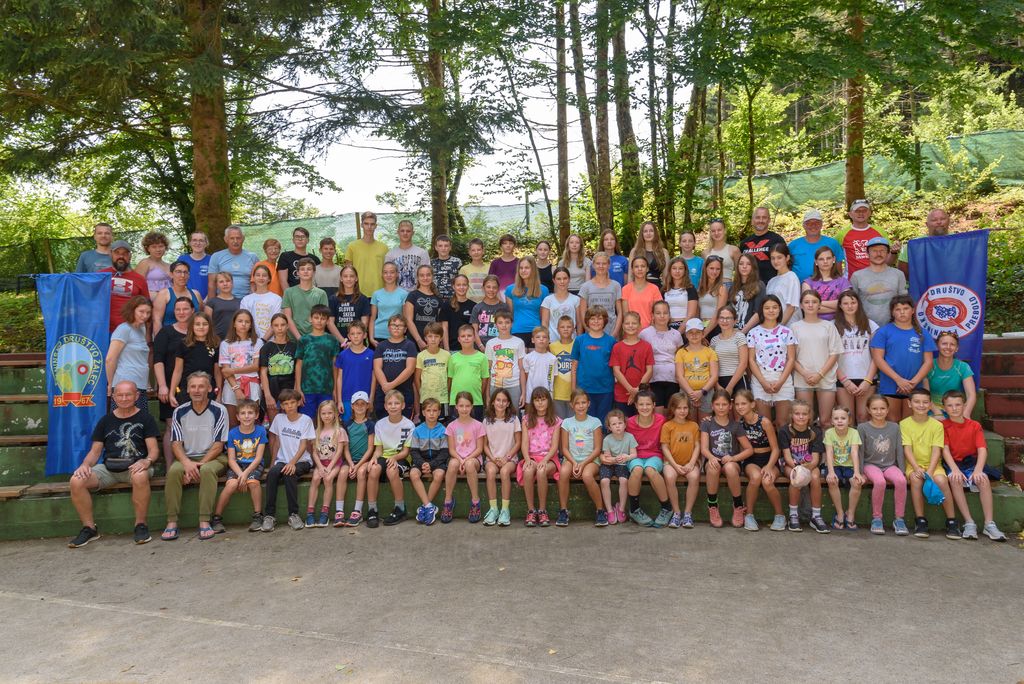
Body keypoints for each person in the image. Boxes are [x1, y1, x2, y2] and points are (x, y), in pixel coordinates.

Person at [67, 381, 160, 548]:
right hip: (109, 468)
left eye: (128, 395)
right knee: (76, 480)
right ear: (114, 397)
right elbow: (95, 452)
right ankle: (89, 528)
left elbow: (153, 450)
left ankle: (140, 525)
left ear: (136, 396)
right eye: (120, 395)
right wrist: (85, 464)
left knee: (140, 476)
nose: (124, 398)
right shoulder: (105, 420)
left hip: (136, 466)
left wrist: (146, 461)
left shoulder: (146, 418)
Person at [163, 372, 229, 541]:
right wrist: (187, 463)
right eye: (193, 386)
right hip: (188, 458)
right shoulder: (180, 411)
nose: (197, 390)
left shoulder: (219, 410)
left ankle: (204, 520)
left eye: (201, 386)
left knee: (206, 470)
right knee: (173, 472)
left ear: (209, 388)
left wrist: (197, 466)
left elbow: (218, 445)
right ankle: (171, 522)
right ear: (187, 389)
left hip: (214, 458)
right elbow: (176, 443)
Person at [941, 390, 1007, 542]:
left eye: (958, 404)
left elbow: (982, 449)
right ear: (944, 408)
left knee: (983, 479)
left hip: (971, 462)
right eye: (950, 405)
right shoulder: (942, 426)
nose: (954, 408)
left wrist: (978, 470)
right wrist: (954, 469)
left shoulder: (974, 425)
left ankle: (989, 524)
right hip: (953, 463)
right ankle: (969, 522)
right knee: (955, 479)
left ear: (964, 405)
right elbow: (945, 450)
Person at [901, 387, 958, 539]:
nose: (921, 405)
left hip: (934, 465)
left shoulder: (937, 425)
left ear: (930, 404)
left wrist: (931, 472)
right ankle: (920, 520)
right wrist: (916, 468)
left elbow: (936, 450)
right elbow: (907, 449)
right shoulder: (904, 424)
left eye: (925, 402)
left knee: (941, 480)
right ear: (909, 404)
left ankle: (952, 521)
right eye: (917, 402)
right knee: (916, 479)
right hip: (913, 464)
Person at [871, 295, 936, 421]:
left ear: (912, 310)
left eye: (905, 308)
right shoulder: (884, 332)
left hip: (914, 387)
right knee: (892, 423)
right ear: (892, 312)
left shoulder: (922, 333)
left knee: (910, 423)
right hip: (890, 385)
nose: (902, 312)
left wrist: (913, 383)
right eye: (897, 309)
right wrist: (898, 380)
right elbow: (878, 359)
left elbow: (928, 362)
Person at [262, 388, 316, 532]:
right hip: (283, 460)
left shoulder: (306, 420)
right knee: (273, 473)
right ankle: (269, 516)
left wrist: (292, 463)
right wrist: (272, 463)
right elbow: (277, 443)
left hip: (302, 461)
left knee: (289, 473)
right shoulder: (279, 419)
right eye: (286, 404)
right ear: (281, 406)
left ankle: (293, 514)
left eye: (292, 402)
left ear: (298, 403)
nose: (290, 406)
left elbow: (304, 445)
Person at [212, 398, 268, 534]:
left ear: (256, 415)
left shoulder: (261, 431)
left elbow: (258, 458)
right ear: (237, 416)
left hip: (254, 465)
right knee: (231, 484)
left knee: (253, 483)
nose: (246, 416)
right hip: (237, 465)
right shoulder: (233, 433)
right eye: (243, 413)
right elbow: (231, 460)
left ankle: (258, 516)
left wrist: (246, 474)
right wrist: (240, 474)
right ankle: (216, 518)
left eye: (250, 413)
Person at [700, 390, 754, 529]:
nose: (721, 407)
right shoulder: (707, 424)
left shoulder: (735, 425)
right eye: (717, 404)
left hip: (731, 461)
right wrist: (711, 457)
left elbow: (749, 449)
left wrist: (733, 458)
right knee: (713, 467)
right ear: (712, 406)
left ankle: (738, 505)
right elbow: (704, 448)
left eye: (724, 404)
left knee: (729, 468)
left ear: (730, 406)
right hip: (713, 459)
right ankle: (712, 505)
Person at [791, 290, 843, 430]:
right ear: (801, 305)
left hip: (826, 377)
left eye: (814, 302)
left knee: (826, 421)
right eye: (806, 302)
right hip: (803, 378)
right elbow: (790, 357)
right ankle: (807, 445)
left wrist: (820, 374)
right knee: (804, 421)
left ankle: (826, 446)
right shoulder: (794, 327)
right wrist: (805, 373)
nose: (810, 305)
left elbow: (834, 353)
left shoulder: (829, 326)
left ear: (820, 305)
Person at [858, 393, 909, 535]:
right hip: (870, 465)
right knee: (880, 482)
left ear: (887, 410)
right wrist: (860, 472)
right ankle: (877, 518)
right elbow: (859, 452)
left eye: (882, 408)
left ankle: (899, 519)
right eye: (874, 409)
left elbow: (899, 449)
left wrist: (902, 470)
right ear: (868, 410)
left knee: (901, 481)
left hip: (890, 465)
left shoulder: (894, 427)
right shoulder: (862, 427)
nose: (878, 412)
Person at [734, 389, 785, 531]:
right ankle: (749, 515)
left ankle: (780, 515)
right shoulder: (739, 424)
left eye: (743, 403)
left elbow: (776, 449)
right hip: (751, 460)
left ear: (752, 404)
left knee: (767, 481)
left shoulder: (764, 422)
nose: (740, 407)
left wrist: (769, 466)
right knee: (756, 477)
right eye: (737, 404)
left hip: (769, 458)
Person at [777, 399, 829, 533]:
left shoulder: (815, 432)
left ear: (810, 416)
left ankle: (816, 516)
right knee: (796, 477)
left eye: (804, 414)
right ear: (791, 415)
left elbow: (815, 459)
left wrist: (806, 468)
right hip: (791, 464)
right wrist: (798, 469)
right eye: (797, 414)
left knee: (815, 477)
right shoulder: (784, 431)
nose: (801, 417)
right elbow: (787, 456)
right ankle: (793, 515)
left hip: (810, 465)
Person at [556, 389, 605, 526]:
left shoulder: (595, 422)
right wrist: (574, 462)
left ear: (589, 404)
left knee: (587, 476)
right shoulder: (567, 423)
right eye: (577, 403)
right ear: (571, 405)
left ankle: (600, 510)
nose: (581, 406)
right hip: (571, 459)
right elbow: (564, 448)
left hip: (591, 460)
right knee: (563, 472)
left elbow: (597, 449)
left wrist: (582, 464)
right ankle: (563, 511)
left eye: (583, 402)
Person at [155, 296, 195, 464]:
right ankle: (170, 468)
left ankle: (190, 467)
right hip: (170, 387)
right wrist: (162, 385)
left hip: (194, 388)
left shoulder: (199, 331)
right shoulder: (166, 332)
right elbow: (158, 360)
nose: (181, 312)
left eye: (185, 309)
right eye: (178, 309)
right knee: (172, 426)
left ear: (192, 311)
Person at [366, 389, 415, 528]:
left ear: (403, 405)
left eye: (396, 403)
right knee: (374, 469)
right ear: (385, 406)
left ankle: (400, 508)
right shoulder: (380, 424)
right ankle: (372, 510)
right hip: (385, 456)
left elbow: (406, 451)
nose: (393, 406)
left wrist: (394, 457)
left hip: (402, 457)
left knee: (392, 470)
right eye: (390, 403)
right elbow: (378, 450)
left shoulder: (409, 425)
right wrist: (373, 458)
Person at [747, 295, 797, 427]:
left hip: (783, 378)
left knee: (783, 423)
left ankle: (783, 443)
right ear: (761, 310)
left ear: (780, 309)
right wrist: (763, 383)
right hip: (761, 379)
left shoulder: (787, 332)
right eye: (767, 308)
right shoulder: (753, 332)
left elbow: (791, 358)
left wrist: (780, 382)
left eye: (774, 307)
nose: (771, 310)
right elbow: (751, 360)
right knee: (765, 423)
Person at [624, 391, 671, 527]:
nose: (645, 407)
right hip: (635, 455)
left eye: (648, 404)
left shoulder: (661, 420)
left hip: (654, 455)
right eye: (641, 404)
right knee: (637, 469)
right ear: (636, 405)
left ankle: (666, 508)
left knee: (650, 470)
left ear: (654, 405)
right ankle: (634, 509)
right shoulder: (629, 423)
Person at [518, 387, 562, 527]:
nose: (540, 403)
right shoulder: (526, 420)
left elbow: (554, 446)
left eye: (543, 399)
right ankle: (531, 510)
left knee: (541, 471)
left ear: (548, 401)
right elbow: (524, 443)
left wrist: (544, 460)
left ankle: (542, 510)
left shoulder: (555, 420)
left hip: (549, 459)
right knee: (528, 470)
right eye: (537, 400)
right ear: (533, 402)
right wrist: (527, 459)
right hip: (531, 456)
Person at [440, 392, 487, 523]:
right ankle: (448, 501)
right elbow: (451, 449)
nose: (464, 409)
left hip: (474, 459)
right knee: (452, 464)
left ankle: (475, 502)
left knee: (470, 465)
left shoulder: (478, 425)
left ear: (472, 406)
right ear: (456, 407)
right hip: (457, 457)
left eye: (467, 406)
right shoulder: (451, 426)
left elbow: (479, 449)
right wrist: (461, 460)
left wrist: (466, 460)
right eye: (461, 406)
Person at [835, 290, 878, 424]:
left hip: (866, 378)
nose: (850, 306)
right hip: (843, 378)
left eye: (853, 302)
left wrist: (868, 381)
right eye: (845, 303)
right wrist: (845, 381)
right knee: (847, 418)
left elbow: (877, 357)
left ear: (858, 303)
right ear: (840, 306)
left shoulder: (871, 325)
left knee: (863, 417)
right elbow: (830, 358)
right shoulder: (832, 326)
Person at [660, 393, 701, 529]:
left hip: (690, 462)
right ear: (672, 409)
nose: (682, 411)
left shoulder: (693, 426)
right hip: (671, 463)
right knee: (669, 476)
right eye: (678, 408)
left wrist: (691, 463)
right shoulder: (667, 426)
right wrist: (674, 465)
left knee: (694, 476)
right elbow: (665, 447)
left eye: (685, 408)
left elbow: (697, 446)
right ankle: (676, 513)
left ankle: (687, 513)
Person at [306, 399, 349, 528]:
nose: (327, 416)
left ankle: (324, 512)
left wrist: (329, 467)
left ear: (335, 413)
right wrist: (320, 467)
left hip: (335, 463)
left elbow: (339, 451)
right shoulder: (317, 431)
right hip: (321, 463)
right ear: (319, 415)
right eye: (323, 413)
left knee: (328, 479)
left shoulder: (339, 431)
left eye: (330, 413)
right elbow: (314, 453)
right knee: (315, 479)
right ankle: (310, 512)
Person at [570, 306, 617, 424]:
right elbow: (574, 367)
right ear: (587, 321)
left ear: (605, 321)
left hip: (605, 389)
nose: (596, 321)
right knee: (586, 423)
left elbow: (615, 368)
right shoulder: (580, 340)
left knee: (603, 423)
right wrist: (573, 389)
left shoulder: (611, 341)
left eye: (599, 318)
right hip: (584, 389)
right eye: (592, 318)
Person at [481, 389, 521, 526]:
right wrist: (492, 458)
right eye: (498, 400)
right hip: (492, 459)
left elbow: (518, 443)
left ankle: (505, 510)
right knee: (491, 472)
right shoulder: (487, 421)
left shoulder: (514, 419)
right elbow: (484, 445)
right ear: (493, 402)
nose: (501, 403)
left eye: (504, 401)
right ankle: (493, 509)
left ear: (508, 403)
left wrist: (507, 457)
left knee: (504, 472)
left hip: (510, 459)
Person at [105, 296, 151, 412]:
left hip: (140, 384)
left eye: (148, 312)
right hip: (125, 385)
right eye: (141, 311)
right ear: (132, 310)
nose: (145, 315)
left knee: (139, 421)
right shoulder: (123, 329)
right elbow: (110, 359)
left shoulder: (142, 328)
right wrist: (111, 384)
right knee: (123, 419)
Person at [218, 309, 264, 426]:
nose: (243, 324)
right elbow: (225, 371)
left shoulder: (257, 342)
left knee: (252, 422)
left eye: (247, 322)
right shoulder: (225, 344)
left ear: (251, 325)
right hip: (231, 385)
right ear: (234, 323)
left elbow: (255, 367)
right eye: (240, 321)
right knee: (232, 423)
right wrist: (236, 389)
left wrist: (232, 370)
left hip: (252, 385)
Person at [294, 304, 340, 419]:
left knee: (326, 419)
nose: (319, 321)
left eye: (323, 318)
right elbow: (299, 365)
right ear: (310, 319)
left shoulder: (332, 340)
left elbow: (335, 366)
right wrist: (298, 388)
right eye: (316, 317)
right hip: (307, 389)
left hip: (326, 388)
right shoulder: (304, 340)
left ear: (327, 321)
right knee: (306, 420)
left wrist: (335, 389)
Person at [851, 236, 908, 327]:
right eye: (874, 251)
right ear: (867, 253)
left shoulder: (898, 274)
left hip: (893, 326)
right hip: (865, 326)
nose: (878, 254)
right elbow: (852, 304)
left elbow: (904, 302)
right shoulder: (857, 276)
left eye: (882, 250)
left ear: (888, 253)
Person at [408, 398, 448, 526]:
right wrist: (422, 464)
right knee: (413, 474)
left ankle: (425, 507)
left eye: (435, 411)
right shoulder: (417, 430)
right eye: (428, 410)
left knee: (439, 475)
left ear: (439, 412)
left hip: (437, 461)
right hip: (421, 461)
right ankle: (429, 506)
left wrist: (431, 465)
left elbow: (444, 453)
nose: (431, 413)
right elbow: (414, 451)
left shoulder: (443, 430)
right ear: (423, 412)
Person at [169, 312, 221, 409]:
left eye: (205, 324)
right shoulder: (184, 344)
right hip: (187, 391)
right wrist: (171, 393)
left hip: (208, 391)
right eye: (197, 324)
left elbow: (217, 372)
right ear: (191, 326)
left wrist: (219, 394)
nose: (201, 327)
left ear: (210, 326)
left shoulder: (215, 344)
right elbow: (177, 371)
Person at [824, 405, 864, 530]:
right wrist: (831, 472)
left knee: (857, 482)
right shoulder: (829, 433)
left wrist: (857, 472)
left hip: (849, 466)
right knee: (832, 481)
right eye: (836, 418)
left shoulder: (854, 432)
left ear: (849, 420)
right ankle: (840, 513)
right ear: (831, 421)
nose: (839, 421)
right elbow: (829, 453)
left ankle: (850, 513)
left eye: (843, 418)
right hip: (834, 465)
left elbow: (854, 452)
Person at [639, 302, 682, 414]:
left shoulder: (676, 334)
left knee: (670, 413)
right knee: (658, 414)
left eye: (665, 313)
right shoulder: (645, 334)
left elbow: (679, 357)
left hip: (672, 379)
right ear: (652, 315)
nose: (662, 316)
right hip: (653, 379)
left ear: (669, 315)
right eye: (658, 313)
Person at [372, 315, 418, 419]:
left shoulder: (410, 345)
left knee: (404, 423)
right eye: (393, 325)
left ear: (405, 329)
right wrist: (385, 385)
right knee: (383, 421)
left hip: (404, 391)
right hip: (383, 391)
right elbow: (377, 368)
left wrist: (391, 385)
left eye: (400, 325)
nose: (396, 327)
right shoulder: (381, 346)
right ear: (388, 328)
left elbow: (410, 369)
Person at [341, 392, 376, 527]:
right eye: (357, 404)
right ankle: (339, 511)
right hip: (350, 460)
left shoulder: (370, 424)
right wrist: (351, 464)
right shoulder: (347, 424)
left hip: (364, 460)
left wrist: (357, 466)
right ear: (352, 406)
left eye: (363, 404)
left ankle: (357, 511)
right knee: (342, 473)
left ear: (367, 406)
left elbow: (370, 448)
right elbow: (345, 448)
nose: (360, 406)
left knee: (361, 473)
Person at [610, 312, 653, 418]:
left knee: (641, 423)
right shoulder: (617, 347)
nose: (630, 326)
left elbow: (649, 370)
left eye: (634, 323)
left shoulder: (647, 346)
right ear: (622, 326)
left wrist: (637, 390)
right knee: (624, 423)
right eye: (627, 323)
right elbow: (616, 371)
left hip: (642, 395)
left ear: (640, 325)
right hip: (622, 394)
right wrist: (631, 390)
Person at [836, 199, 894, 276]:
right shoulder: (842, 234)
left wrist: (894, 252)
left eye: (864, 210)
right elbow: (834, 257)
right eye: (857, 211)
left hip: (878, 278)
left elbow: (889, 257)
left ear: (870, 213)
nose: (861, 213)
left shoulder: (880, 231)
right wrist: (838, 278)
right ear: (850, 214)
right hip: (852, 280)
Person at [675, 318, 719, 421]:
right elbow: (679, 376)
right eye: (691, 332)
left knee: (705, 423)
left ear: (703, 334)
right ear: (686, 335)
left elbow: (714, 376)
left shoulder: (710, 352)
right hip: (687, 392)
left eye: (698, 332)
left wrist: (702, 392)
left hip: (706, 392)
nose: (694, 335)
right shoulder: (681, 352)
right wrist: (692, 394)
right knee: (690, 424)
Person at [102, 240, 150, 332]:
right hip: (103, 329)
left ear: (130, 256)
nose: (121, 256)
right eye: (117, 253)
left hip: (131, 330)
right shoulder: (100, 276)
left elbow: (147, 307)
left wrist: (147, 335)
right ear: (110, 254)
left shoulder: (140, 279)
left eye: (125, 253)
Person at [926, 331, 976, 419]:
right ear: (937, 345)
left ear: (957, 348)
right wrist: (938, 413)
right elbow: (925, 395)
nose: (948, 347)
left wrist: (966, 414)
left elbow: (971, 395)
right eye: (944, 344)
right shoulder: (928, 365)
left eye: (952, 344)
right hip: (933, 410)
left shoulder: (962, 367)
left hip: (955, 410)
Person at [599, 410, 635, 525]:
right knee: (604, 481)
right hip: (609, 464)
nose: (617, 426)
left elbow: (634, 454)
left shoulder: (630, 437)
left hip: (623, 464)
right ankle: (609, 510)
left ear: (625, 424)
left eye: (620, 423)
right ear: (609, 427)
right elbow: (607, 457)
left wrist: (627, 457)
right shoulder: (607, 439)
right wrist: (614, 459)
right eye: (614, 424)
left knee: (624, 480)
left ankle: (621, 509)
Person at [788, 209, 845, 282]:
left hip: (828, 286)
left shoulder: (833, 243)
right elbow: (787, 268)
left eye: (817, 222)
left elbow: (839, 269)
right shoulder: (793, 245)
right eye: (809, 223)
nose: (813, 225)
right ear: (803, 225)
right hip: (799, 286)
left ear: (821, 224)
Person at [447, 324, 489, 421]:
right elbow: (450, 380)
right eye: (463, 336)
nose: (466, 338)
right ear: (459, 339)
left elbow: (485, 380)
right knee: (457, 429)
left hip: (476, 401)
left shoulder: (482, 357)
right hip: (456, 402)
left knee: (475, 429)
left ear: (474, 338)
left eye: (469, 335)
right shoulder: (453, 358)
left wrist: (478, 394)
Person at [334, 321, 375, 421]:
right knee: (348, 426)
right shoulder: (343, 355)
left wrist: (371, 398)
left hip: (365, 398)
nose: (356, 336)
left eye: (359, 333)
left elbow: (374, 378)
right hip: (347, 398)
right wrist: (339, 400)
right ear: (348, 336)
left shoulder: (371, 354)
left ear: (365, 335)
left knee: (364, 426)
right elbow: (339, 378)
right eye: (352, 334)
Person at [505, 256, 549, 349]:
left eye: (527, 268)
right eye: (521, 268)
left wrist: (545, 336)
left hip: (537, 333)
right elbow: (510, 315)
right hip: (517, 331)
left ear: (533, 269)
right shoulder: (510, 290)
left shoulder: (543, 290)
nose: (523, 270)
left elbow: (543, 318)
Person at [259, 313, 296, 424]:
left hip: (289, 386)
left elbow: (297, 371)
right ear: (272, 327)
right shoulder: (266, 347)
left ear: (288, 326)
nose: (280, 328)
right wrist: (267, 395)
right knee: (274, 425)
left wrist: (295, 391)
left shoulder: (294, 346)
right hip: (272, 386)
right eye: (276, 325)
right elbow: (263, 372)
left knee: (290, 423)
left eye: (283, 325)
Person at [485, 311, 526, 409]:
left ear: (512, 324)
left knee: (514, 414)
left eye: (507, 322)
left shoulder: (519, 342)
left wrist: (523, 392)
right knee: (495, 414)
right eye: (500, 323)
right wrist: (487, 395)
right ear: (496, 325)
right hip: (495, 385)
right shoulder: (490, 343)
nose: (504, 325)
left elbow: (522, 369)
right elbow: (488, 371)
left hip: (514, 385)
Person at [282, 257, 329, 340]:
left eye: (309, 269)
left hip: (314, 339)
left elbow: (323, 318)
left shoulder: (321, 294)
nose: (306, 271)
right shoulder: (288, 292)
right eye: (302, 269)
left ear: (314, 272)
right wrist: (299, 338)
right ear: (297, 273)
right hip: (293, 338)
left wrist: (312, 337)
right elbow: (287, 317)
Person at [579, 252, 623, 337]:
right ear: (593, 265)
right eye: (598, 263)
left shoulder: (616, 285)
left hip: (611, 331)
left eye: (604, 263)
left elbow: (620, 312)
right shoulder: (585, 286)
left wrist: (615, 333)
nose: (601, 266)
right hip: (592, 333)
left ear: (609, 265)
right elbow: (583, 313)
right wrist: (589, 332)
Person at [208, 225, 259, 299]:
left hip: (247, 300)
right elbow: (211, 284)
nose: (235, 241)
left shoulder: (253, 257)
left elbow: (258, 282)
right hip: (223, 300)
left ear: (243, 239)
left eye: (238, 238)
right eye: (232, 238)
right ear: (226, 239)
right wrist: (211, 303)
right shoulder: (216, 256)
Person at [344, 211, 389, 294]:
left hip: (379, 293)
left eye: (372, 224)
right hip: (358, 293)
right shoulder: (352, 247)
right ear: (361, 225)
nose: (369, 227)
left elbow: (388, 272)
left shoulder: (384, 248)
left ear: (376, 226)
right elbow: (347, 272)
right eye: (366, 224)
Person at [801, 246, 851, 321]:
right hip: (815, 323)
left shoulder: (843, 282)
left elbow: (847, 304)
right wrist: (838, 306)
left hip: (839, 323)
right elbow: (808, 307)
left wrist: (817, 303)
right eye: (821, 259)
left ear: (834, 259)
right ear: (816, 262)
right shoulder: (807, 283)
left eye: (828, 258)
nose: (825, 261)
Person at [153, 261, 203, 334]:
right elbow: (157, 320)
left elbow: (201, 317)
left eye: (185, 272)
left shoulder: (196, 294)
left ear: (188, 275)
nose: (182, 275)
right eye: (178, 272)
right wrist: (159, 340)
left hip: (193, 336)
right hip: (170, 337)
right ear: (171, 274)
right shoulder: (164, 294)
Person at [739, 206, 786, 284]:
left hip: (770, 286)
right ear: (752, 221)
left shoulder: (777, 240)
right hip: (748, 286)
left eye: (764, 217)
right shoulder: (744, 243)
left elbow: (785, 265)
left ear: (769, 220)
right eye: (757, 217)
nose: (761, 220)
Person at [898, 208, 949, 277]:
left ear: (949, 221)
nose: (939, 222)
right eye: (934, 220)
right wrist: (920, 280)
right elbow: (902, 270)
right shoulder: (914, 245)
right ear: (927, 224)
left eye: (942, 219)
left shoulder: (959, 242)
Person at [710, 305, 748, 396]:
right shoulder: (714, 340)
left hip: (738, 380)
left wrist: (730, 387)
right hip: (720, 381)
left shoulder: (740, 337)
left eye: (728, 318)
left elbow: (743, 363)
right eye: (722, 318)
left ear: (735, 321)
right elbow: (711, 366)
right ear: (717, 320)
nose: (724, 321)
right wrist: (716, 385)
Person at [404, 264, 443, 350]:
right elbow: (408, 320)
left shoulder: (438, 298)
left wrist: (438, 340)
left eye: (428, 275)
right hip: (414, 341)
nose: (425, 278)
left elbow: (439, 323)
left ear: (432, 277)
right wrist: (419, 340)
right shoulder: (412, 295)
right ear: (417, 278)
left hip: (433, 341)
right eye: (422, 275)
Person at [415, 322, 450, 416]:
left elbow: (449, 377)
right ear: (425, 338)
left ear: (441, 338)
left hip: (443, 399)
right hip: (426, 399)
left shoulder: (447, 355)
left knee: (443, 422)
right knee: (427, 421)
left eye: (436, 336)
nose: (433, 339)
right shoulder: (421, 356)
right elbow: (417, 378)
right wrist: (421, 393)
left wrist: (447, 392)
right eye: (430, 336)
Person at [239, 264, 282, 339]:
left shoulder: (277, 299)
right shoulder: (246, 300)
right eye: (258, 275)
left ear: (269, 279)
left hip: (271, 341)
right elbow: (244, 322)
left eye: (264, 275)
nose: (261, 278)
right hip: (251, 340)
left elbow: (276, 322)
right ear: (253, 278)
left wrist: (263, 340)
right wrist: (255, 341)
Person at [386, 220, 430, 291]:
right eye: (402, 231)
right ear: (398, 232)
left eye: (408, 231)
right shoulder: (390, 255)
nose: (405, 233)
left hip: (417, 293)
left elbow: (428, 275)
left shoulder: (422, 253)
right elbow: (387, 277)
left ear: (413, 233)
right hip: (397, 293)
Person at [622, 256, 664, 330]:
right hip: (631, 330)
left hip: (650, 330)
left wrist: (650, 330)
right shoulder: (626, 289)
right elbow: (625, 314)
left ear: (647, 269)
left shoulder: (654, 289)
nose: (640, 269)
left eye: (643, 266)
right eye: (636, 266)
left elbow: (658, 311)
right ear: (632, 269)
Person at [369, 262, 405, 347]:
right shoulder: (376, 294)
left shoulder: (404, 294)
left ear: (397, 274)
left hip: (397, 335)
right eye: (385, 272)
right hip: (378, 335)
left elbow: (405, 318)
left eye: (392, 272)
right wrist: (371, 338)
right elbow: (372, 319)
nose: (389, 275)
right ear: (382, 275)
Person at [541, 267, 582, 338]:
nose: (562, 281)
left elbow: (579, 323)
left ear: (569, 279)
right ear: (554, 281)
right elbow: (545, 323)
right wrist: (546, 340)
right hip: (553, 340)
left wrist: (579, 341)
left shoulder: (576, 299)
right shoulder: (547, 300)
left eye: (565, 278)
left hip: (571, 340)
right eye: (559, 279)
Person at [521, 327, 557, 408]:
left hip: (547, 396)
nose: (541, 339)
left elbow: (553, 377)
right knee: (530, 415)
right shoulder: (528, 358)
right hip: (531, 395)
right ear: (533, 340)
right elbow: (526, 376)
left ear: (548, 340)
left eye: (544, 337)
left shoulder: (553, 358)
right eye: (538, 337)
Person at [729, 253, 765, 334]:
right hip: (732, 332)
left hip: (750, 333)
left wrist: (742, 333)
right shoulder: (733, 287)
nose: (744, 266)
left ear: (753, 267)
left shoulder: (759, 285)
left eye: (748, 264)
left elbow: (758, 313)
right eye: (741, 264)